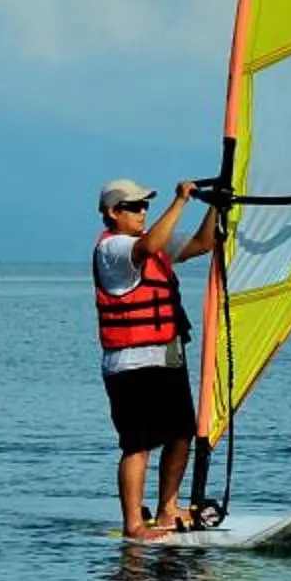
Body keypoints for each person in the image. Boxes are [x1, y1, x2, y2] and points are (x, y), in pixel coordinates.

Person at [93, 176, 218, 540]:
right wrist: (180, 201)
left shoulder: (153, 244)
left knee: (181, 434)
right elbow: (149, 246)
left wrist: (217, 203)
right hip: (129, 363)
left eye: (145, 205)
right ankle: (134, 524)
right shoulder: (114, 249)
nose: (142, 212)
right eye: (134, 206)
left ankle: (167, 509)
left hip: (165, 356)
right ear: (112, 213)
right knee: (138, 444)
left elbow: (203, 242)